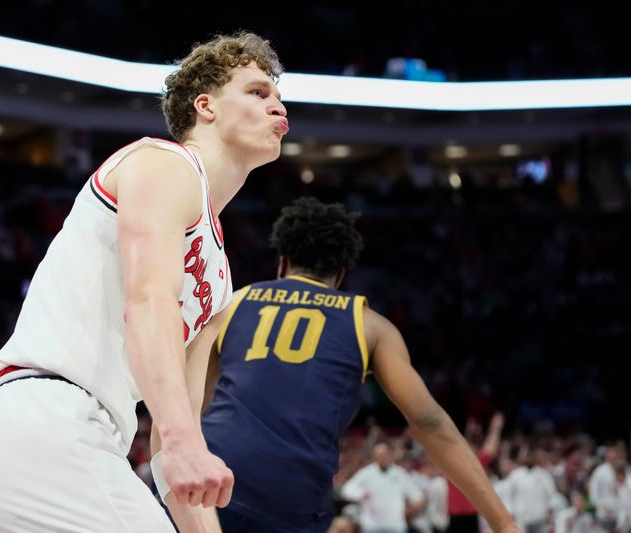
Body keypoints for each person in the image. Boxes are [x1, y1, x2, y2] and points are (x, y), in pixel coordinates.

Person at [0, 31, 289, 532]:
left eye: (279, 96)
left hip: (69, 444)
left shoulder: (219, 280)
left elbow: (173, 435)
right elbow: (147, 299)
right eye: (258, 92)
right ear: (206, 107)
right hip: (47, 422)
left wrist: (180, 446)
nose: (277, 107)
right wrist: (180, 442)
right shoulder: (163, 162)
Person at [201, 197, 520, 533]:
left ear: (282, 264)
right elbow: (429, 422)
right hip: (291, 498)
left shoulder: (233, 302)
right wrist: (505, 524)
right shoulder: (368, 324)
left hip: (213, 478)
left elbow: (198, 404)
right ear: (340, 275)